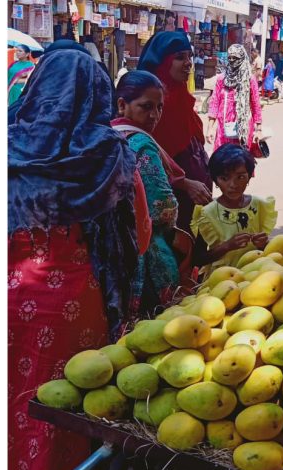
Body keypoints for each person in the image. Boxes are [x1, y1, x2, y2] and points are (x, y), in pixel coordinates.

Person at [8, 39, 141, 470]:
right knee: (84, 419)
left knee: (6, 420)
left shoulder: (5, 150)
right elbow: (134, 237)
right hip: (78, 312)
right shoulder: (108, 157)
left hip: (5, 304)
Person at [111, 70, 183, 318]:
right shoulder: (142, 144)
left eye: (160, 107)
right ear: (122, 105)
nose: (155, 115)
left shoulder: (107, 136)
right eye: (146, 107)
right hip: (145, 255)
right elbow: (164, 208)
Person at [137, 32, 214, 237]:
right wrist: (185, 183)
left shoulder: (183, 100)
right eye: (179, 57)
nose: (188, 63)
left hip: (194, 208)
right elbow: (147, 164)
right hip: (169, 214)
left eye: (189, 56)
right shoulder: (151, 111)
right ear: (163, 62)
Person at [191, 144, 276, 276]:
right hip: (222, 281)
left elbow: (266, 247)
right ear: (216, 180)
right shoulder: (207, 214)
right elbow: (198, 258)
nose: (233, 185)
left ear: (249, 177)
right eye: (224, 178)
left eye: (240, 177)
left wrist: (263, 244)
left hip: (257, 275)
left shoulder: (260, 205)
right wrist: (227, 246)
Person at [207, 44, 263, 151]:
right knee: (222, 161)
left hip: (243, 129)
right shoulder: (222, 79)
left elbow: (256, 105)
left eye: (235, 58)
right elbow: (214, 102)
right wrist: (210, 128)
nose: (232, 60)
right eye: (230, 58)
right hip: (223, 129)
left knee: (240, 162)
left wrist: (259, 130)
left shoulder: (250, 80)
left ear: (242, 58)